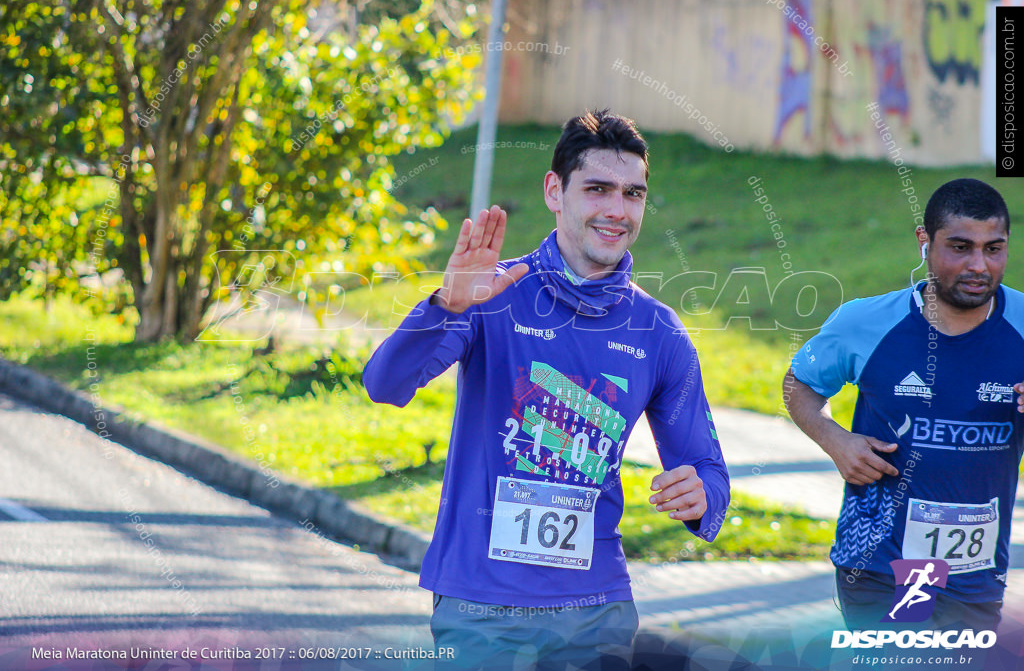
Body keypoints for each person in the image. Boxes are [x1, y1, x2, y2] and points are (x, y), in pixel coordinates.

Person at [363, 110, 729, 668]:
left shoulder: (659, 333)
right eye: (598, 189)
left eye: (633, 194)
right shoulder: (491, 293)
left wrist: (702, 494)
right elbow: (385, 385)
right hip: (481, 605)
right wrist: (445, 305)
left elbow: (707, 468)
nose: (616, 210)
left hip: (597, 609)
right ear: (555, 191)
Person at [783, 178, 1024, 633]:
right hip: (879, 563)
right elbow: (799, 383)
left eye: (994, 248)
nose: (979, 265)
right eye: (960, 247)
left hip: (976, 573)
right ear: (924, 242)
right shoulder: (865, 322)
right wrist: (836, 441)